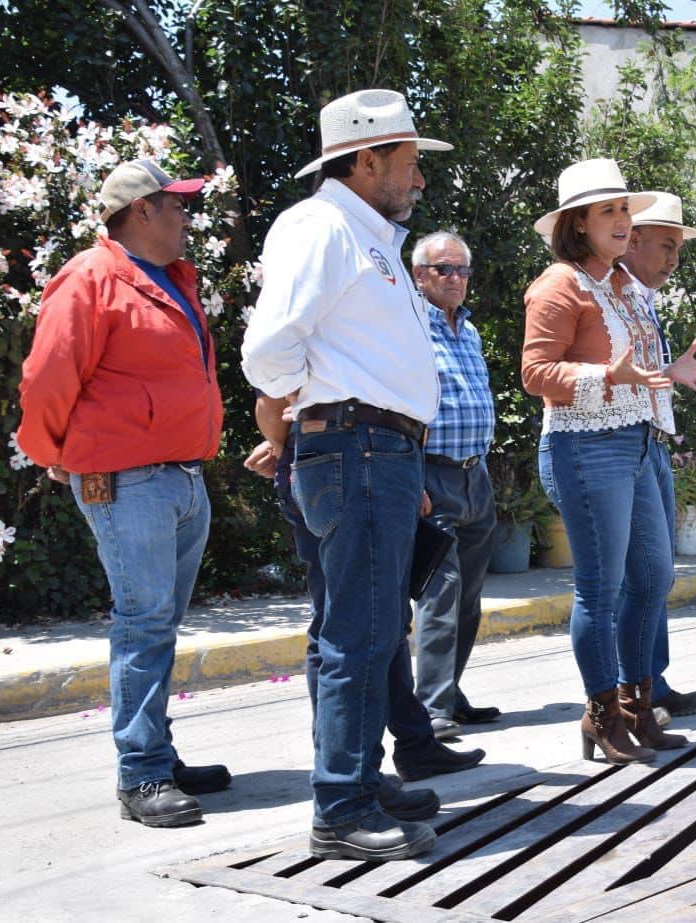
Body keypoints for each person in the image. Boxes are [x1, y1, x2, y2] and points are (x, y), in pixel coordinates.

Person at [241, 88, 451, 862]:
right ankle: (341, 803)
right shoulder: (321, 226)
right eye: (407, 163)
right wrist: (319, 407)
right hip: (357, 451)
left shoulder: (359, 233)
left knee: (359, 630)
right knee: (358, 636)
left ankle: (355, 775)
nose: (419, 180)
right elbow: (268, 354)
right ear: (365, 161)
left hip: (373, 451)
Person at [17, 159, 229, 827]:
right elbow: (48, 377)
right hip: (129, 480)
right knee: (142, 623)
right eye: (177, 206)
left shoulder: (167, 278)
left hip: (180, 475)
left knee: (157, 624)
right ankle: (139, 775)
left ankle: (156, 753)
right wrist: (57, 455)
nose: (186, 218)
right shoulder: (91, 276)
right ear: (141, 210)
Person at [243, 394, 483, 822]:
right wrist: (286, 448)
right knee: (349, 628)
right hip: (338, 464)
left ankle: (382, 766)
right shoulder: (316, 335)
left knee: (374, 621)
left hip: (360, 461)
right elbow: (269, 391)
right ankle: (347, 786)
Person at [521, 158, 686, 764]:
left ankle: (638, 707)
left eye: (624, 209)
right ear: (577, 223)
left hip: (635, 441)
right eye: (608, 211)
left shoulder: (620, 285)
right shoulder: (559, 285)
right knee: (601, 588)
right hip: (586, 447)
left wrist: (672, 373)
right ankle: (601, 714)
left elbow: (634, 371)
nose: (622, 220)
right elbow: (535, 374)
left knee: (653, 578)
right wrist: (603, 376)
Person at [618, 192, 696, 722]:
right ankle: (629, 689)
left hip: (653, 442)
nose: (673, 260)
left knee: (656, 575)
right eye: (666, 246)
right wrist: (671, 374)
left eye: (678, 249)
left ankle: (651, 681)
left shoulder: (644, 299)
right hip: (623, 448)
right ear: (633, 241)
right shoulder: (612, 295)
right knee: (639, 576)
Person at [409, 230, 500, 737]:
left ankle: (450, 691)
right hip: (431, 473)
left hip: (473, 474)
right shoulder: (408, 327)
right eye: (445, 269)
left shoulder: (469, 330)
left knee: (468, 597)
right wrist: (410, 478)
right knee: (438, 596)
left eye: (463, 270)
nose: (456, 279)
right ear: (420, 274)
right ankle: (431, 709)